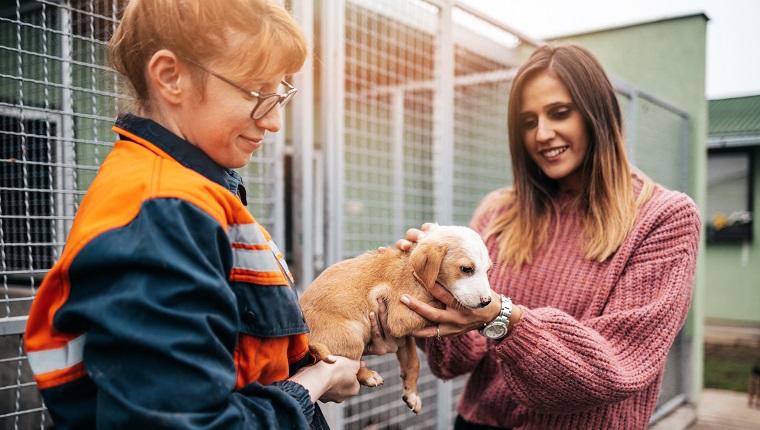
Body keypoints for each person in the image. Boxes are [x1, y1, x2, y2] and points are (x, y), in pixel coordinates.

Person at [23, 1, 379, 428]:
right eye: (255, 91)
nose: (275, 121)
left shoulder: (194, 192)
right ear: (171, 77)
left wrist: (366, 325)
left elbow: (240, 351)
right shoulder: (162, 213)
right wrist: (312, 385)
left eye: (281, 92)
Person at [398, 44, 701, 429]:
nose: (542, 134)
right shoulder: (498, 212)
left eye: (559, 113)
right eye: (527, 121)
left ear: (597, 113)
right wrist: (435, 289)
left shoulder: (664, 217)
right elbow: (457, 361)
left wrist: (505, 319)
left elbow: (620, 362)